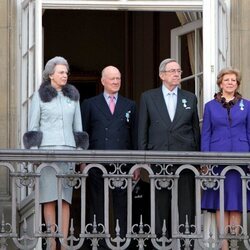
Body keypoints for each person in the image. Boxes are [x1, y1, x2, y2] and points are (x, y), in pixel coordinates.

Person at [23, 56, 89, 250]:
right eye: (61, 72)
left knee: (65, 199)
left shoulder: (73, 96)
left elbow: (78, 128)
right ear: (50, 74)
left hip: (68, 153)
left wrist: (79, 154)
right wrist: (34, 154)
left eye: (66, 72)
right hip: (47, 154)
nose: (65, 75)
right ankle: (52, 242)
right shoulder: (40, 95)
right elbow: (33, 127)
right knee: (49, 198)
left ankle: (65, 241)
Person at [138, 58, 200, 247]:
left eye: (179, 71)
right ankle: (160, 244)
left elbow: (195, 129)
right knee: (160, 204)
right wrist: (143, 159)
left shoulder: (190, 98)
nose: (177, 74)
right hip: (159, 157)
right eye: (172, 71)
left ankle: (186, 244)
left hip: (185, 158)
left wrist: (198, 160)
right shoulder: (148, 97)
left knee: (186, 205)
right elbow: (143, 128)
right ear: (162, 75)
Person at [81, 65, 140, 249]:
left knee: (122, 202)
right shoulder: (90, 104)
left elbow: (135, 135)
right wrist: (83, 160)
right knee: (97, 201)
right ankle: (98, 242)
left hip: (123, 161)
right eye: (112, 78)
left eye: (118, 78)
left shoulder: (129, 104)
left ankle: (123, 241)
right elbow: (83, 133)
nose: (116, 82)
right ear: (103, 81)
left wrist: (137, 163)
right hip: (96, 160)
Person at [201, 67, 250, 250]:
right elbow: (205, 134)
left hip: (241, 159)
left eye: (234, 80)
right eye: (227, 80)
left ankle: (234, 243)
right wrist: (205, 162)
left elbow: (249, 131)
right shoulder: (210, 106)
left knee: (236, 203)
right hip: (217, 160)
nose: (230, 83)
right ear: (220, 83)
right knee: (221, 203)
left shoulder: (247, 105)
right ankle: (223, 246)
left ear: (237, 84)